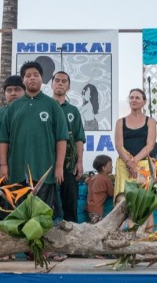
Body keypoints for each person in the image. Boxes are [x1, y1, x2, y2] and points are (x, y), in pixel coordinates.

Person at [0, 61, 69, 261]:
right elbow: (3, 140)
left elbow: (61, 138)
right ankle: (10, 251)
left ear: (41, 78)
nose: (32, 78)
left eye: (35, 74)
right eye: (28, 75)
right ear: (23, 80)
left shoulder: (52, 105)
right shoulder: (12, 109)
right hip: (17, 171)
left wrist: (58, 167)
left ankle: (42, 249)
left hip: (44, 172)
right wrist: (4, 165)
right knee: (16, 213)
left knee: (43, 215)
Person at [0, 75, 25, 262]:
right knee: (1, 207)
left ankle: (25, 247)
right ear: (4, 95)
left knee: (22, 207)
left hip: (24, 170)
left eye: (17, 90)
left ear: (24, 91)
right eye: (9, 90)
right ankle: (3, 249)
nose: (13, 93)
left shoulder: (29, 112)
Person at [52, 71, 86, 222]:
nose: (60, 83)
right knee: (45, 203)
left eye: (64, 81)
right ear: (52, 84)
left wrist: (79, 162)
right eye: (57, 80)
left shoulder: (73, 110)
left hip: (69, 165)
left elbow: (79, 138)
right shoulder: (45, 106)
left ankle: (72, 236)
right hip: (46, 162)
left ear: (69, 86)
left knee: (70, 203)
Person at [114, 89, 157, 196]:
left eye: (137, 98)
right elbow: (119, 146)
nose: (134, 100)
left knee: (145, 201)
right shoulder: (120, 122)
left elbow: (150, 145)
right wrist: (129, 163)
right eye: (131, 97)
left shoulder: (150, 121)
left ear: (144, 102)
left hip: (144, 166)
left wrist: (134, 163)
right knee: (123, 202)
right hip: (124, 166)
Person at [85, 155, 114, 224]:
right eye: (110, 165)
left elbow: (86, 180)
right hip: (97, 209)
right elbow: (111, 193)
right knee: (97, 226)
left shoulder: (93, 177)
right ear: (103, 168)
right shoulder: (106, 179)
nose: (112, 167)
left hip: (89, 207)